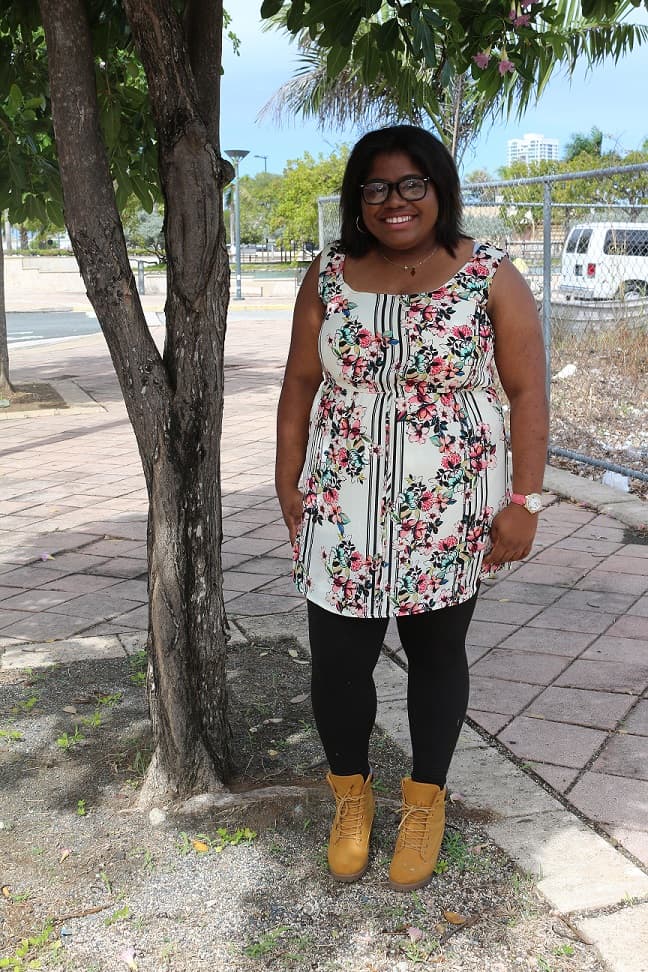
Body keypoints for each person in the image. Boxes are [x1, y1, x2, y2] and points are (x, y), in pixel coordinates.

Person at [275, 125, 548, 891]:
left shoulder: (489, 272)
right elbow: (300, 383)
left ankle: (426, 801)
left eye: (411, 184)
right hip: (343, 497)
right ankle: (351, 798)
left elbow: (528, 393)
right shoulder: (329, 273)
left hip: (450, 503)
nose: (395, 202)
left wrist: (524, 502)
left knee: (435, 654)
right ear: (358, 200)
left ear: (439, 189)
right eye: (377, 187)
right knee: (338, 661)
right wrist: (285, 474)